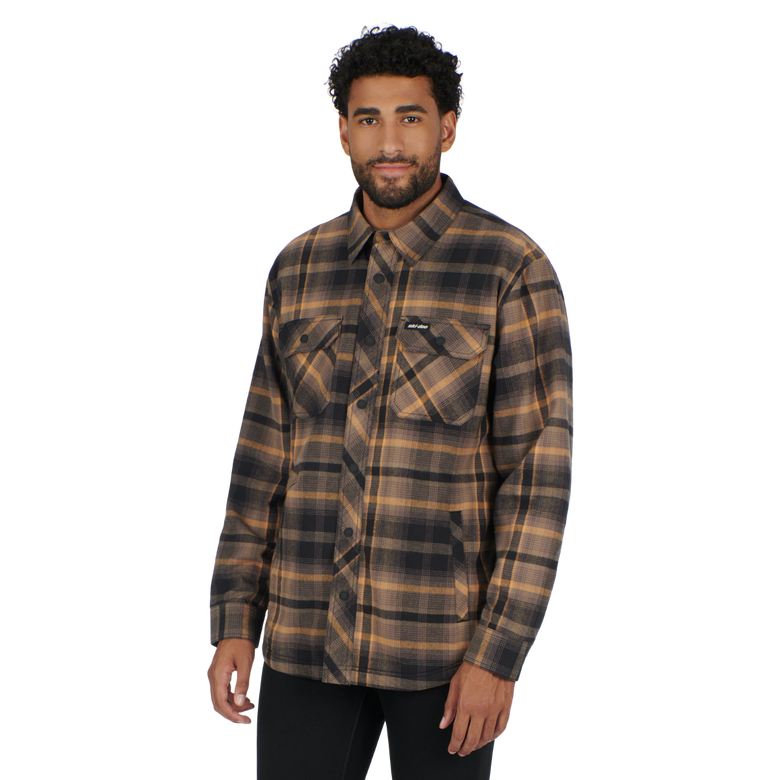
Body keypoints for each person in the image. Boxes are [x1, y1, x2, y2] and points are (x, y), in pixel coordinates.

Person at [207, 22, 574, 780]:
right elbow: (259, 463)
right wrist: (234, 618)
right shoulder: (298, 268)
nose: (390, 142)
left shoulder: (509, 268)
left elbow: (537, 482)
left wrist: (499, 654)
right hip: (305, 638)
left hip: (444, 649)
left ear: (450, 131)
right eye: (368, 120)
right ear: (344, 134)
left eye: (411, 117)